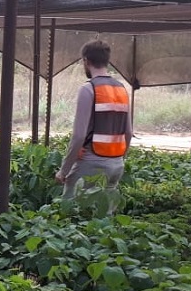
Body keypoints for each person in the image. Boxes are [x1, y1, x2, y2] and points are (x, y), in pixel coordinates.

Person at [55, 40, 133, 200]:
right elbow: (129, 133)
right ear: (107, 61)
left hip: (91, 164)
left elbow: (78, 137)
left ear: (86, 61)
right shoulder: (121, 89)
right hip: (116, 165)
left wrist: (64, 171)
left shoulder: (88, 89)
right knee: (105, 217)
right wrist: (119, 160)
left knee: (70, 212)